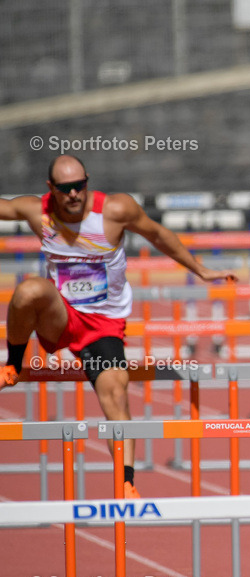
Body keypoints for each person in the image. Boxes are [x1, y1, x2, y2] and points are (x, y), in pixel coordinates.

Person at [0, 155, 237, 498]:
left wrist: (199, 270)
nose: (73, 195)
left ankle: (126, 482)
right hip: (61, 317)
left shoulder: (115, 210)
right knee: (28, 291)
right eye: (65, 189)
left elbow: (158, 234)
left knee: (116, 389)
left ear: (87, 183)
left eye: (79, 186)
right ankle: (13, 365)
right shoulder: (37, 211)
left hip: (102, 326)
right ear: (51, 189)